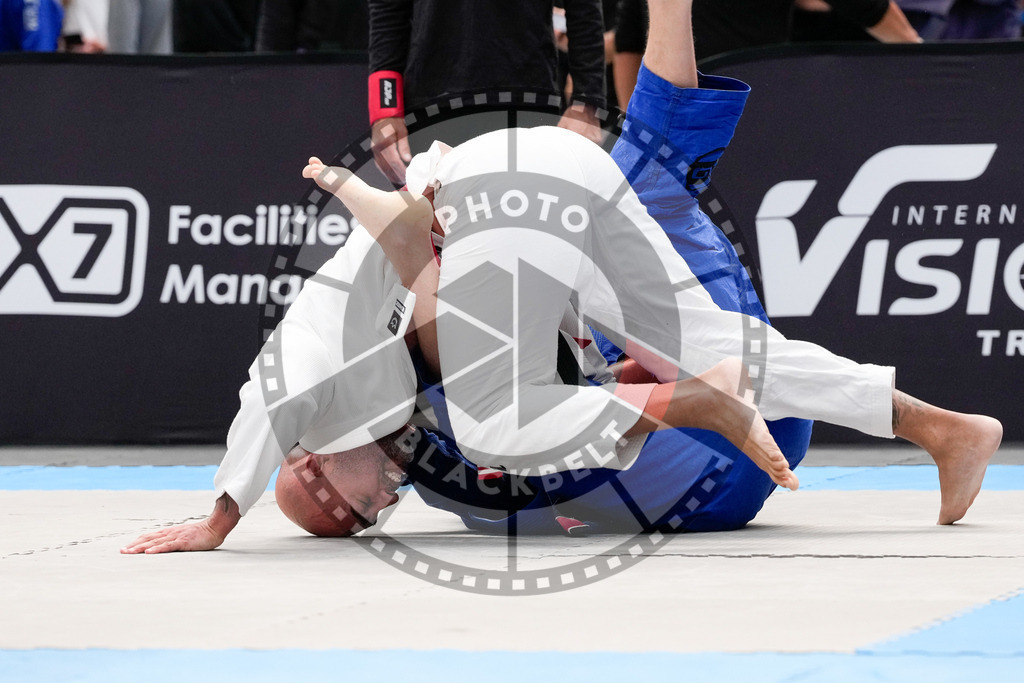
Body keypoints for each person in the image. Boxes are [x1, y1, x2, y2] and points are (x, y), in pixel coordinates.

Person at [122, 0, 999, 556]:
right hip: (548, 183)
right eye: (370, 524)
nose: (380, 507)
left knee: (494, 418)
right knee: (712, 341)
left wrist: (220, 516)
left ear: (312, 465)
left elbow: (261, 401)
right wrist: (601, 373)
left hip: (497, 195)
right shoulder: (400, 423)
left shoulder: (315, 370)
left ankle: (692, 399)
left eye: (354, 512)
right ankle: (938, 426)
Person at [367, 0, 608, 185]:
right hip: (432, 105)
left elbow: (584, 7)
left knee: (528, 238)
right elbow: (387, 10)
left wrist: (587, 101)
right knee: (435, 244)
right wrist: (384, 109)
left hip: (526, 101)